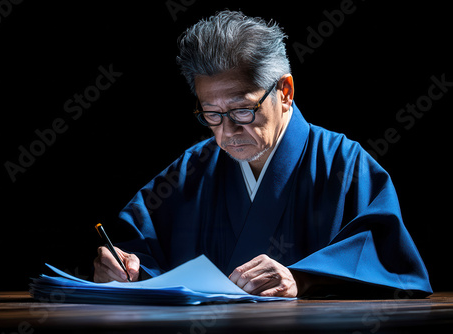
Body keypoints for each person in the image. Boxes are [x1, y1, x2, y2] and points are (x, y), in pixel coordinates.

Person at [93, 10, 432, 298]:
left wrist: (301, 278)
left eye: (242, 110)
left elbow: (390, 267)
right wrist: (125, 268)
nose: (226, 132)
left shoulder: (344, 164)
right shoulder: (190, 171)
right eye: (211, 114)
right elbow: (137, 247)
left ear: (284, 91)